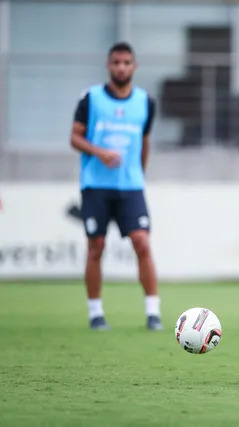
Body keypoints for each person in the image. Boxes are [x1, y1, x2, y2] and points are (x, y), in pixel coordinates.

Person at [70, 42, 161, 331]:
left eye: (126, 62)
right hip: (96, 185)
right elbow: (75, 138)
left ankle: (153, 313)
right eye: (116, 62)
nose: (121, 67)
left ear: (134, 67)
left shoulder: (145, 101)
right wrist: (99, 152)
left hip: (131, 187)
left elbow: (145, 142)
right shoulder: (91, 99)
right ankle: (96, 313)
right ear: (109, 66)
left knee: (142, 242)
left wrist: (139, 175)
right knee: (96, 246)